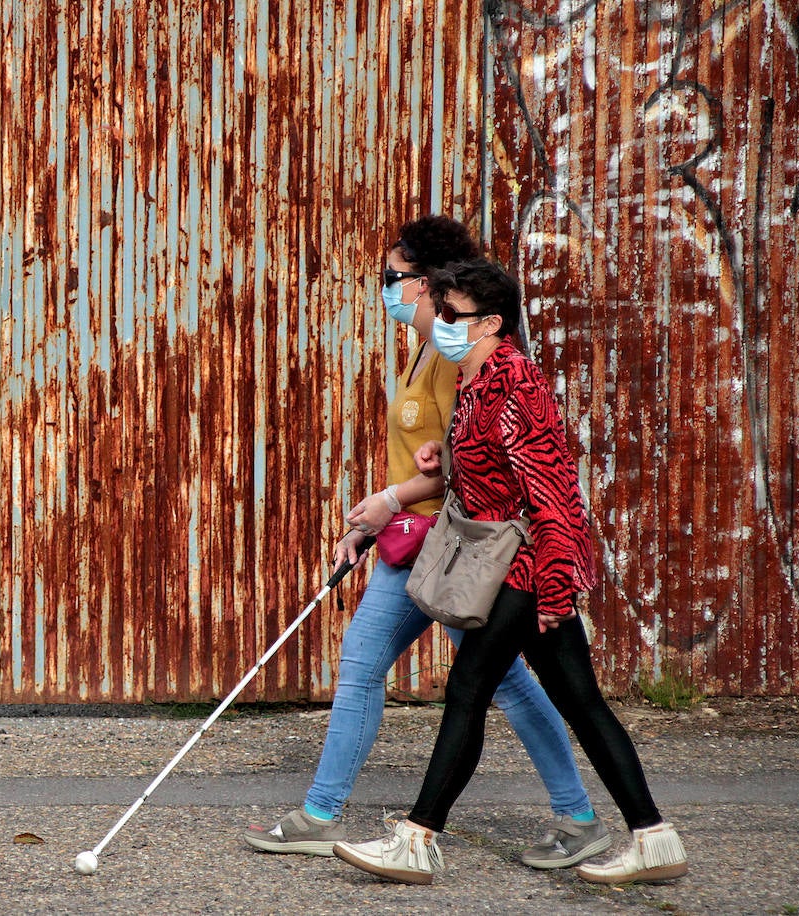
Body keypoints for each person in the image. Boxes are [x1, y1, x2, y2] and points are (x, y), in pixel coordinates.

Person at [244, 217, 609, 872]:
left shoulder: (450, 357)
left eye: (394, 278)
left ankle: (578, 816)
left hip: (456, 543)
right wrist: (374, 518)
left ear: (427, 281)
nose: (386, 289)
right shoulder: (422, 349)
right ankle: (321, 813)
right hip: (422, 537)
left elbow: (464, 459)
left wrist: (390, 502)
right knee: (430, 672)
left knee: (485, 681)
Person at [332, 258, 689, 885]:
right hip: (515, 566)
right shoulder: (476, 382)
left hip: (528, 568)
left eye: (451, 314)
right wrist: (445, 453)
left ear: (490, 322)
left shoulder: (514, 380)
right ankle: (653, 837)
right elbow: (492, 468)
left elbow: (553, 495)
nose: (438, 322)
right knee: (580, 700)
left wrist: (554, 589)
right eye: (437, 309)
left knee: (469, 689)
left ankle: (418, 838)